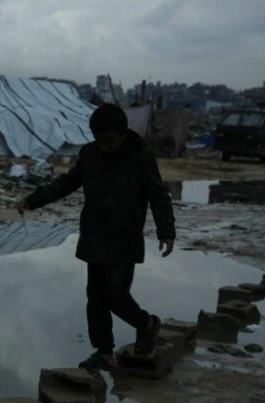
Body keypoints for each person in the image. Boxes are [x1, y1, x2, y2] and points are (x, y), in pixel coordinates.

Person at [19, 104, 176, 372]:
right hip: (95, 237)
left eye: (109, 141)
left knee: (115, 294)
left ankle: (146, 325)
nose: (104, 147)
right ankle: (104, 352)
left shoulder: (141, 157)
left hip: (125, 238)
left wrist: (166, 231)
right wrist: (34, 200)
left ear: (123, 134)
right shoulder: (89, 154)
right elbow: (66, 184)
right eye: (99, 141)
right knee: (95, 299)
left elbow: (158, 195)